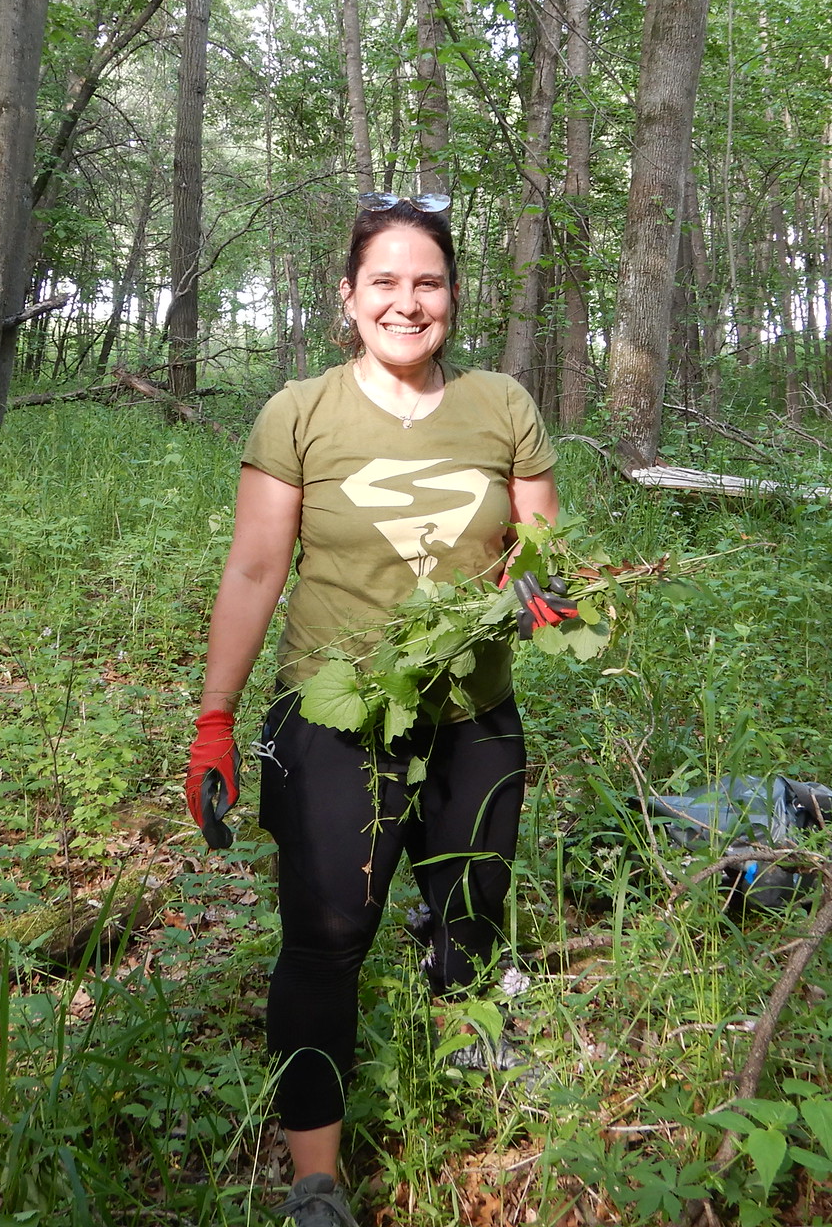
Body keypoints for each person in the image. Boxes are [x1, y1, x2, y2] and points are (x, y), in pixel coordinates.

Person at [188, 194, 559, 1227]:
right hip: (333, 710)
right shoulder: (298, 413)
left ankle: (470, 1074)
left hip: (473, 713)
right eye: (385, 282)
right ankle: (316, 1176)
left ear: (452, 297)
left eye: (428, 282)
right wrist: (215, 719)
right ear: (347, 296)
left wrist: (552, 603)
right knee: (327, 930)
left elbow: (540, 553)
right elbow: (257, 567)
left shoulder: (500, 405)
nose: (408, 301)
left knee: (470, 909)